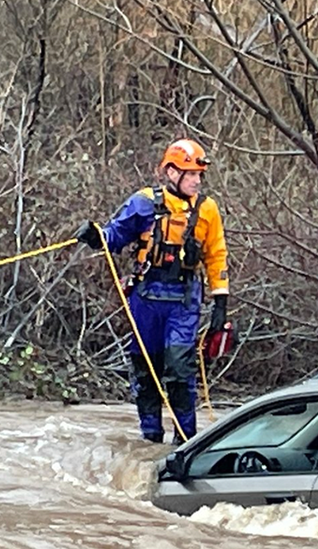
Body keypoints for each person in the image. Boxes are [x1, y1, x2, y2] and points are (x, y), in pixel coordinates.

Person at [75, 139, 232, 444]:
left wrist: (221, 305)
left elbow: (217, 256)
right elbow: (115, 236)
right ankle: (150, 441)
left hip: (183, 299)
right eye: (190, 174)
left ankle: (185, 441)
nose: (197, 181)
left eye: (199, 175)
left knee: (179, 370)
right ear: (171, 172)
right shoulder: (143, 203)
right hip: (146, 297)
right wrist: (96, 237)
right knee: (146, 372)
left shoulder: (208, 210)